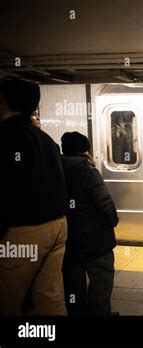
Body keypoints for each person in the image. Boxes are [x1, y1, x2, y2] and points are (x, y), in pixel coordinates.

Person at [0, 79, 69, 315]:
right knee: (50, 296)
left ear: (4, 100)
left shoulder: (6, 136)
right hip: (57, 224)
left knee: (6, 298)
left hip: (23, 229)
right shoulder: (45, 139)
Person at [61, 131, 119, 315]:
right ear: (85, 149)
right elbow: (105, 202)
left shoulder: (56, 170)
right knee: (101, 285)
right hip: (96, 242)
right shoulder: (88, 171)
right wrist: (113, 221)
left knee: (73, 289)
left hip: (69, 241)